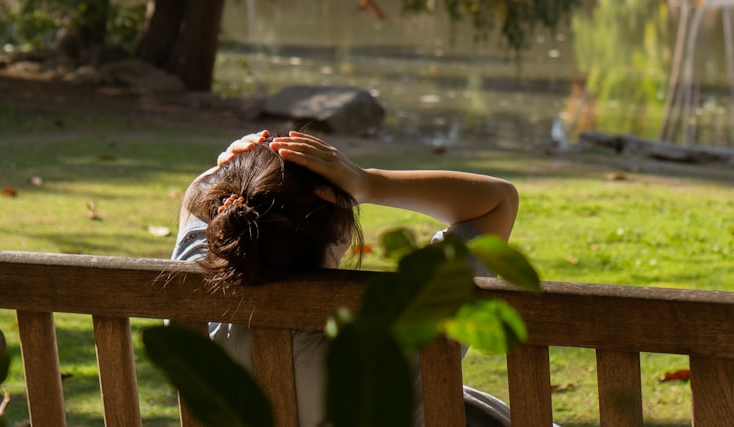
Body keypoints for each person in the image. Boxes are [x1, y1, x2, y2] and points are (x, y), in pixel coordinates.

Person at [171, 130, 520, 427]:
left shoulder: (196, 305)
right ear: (341, 236)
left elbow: (194, 199)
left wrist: (234, 166)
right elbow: (497, 201)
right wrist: (370, 183)